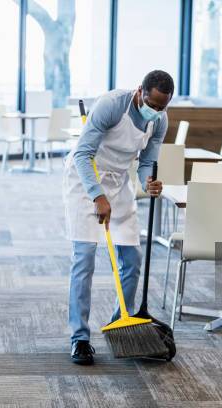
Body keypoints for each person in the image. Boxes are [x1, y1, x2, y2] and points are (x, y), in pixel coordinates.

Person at [63, 70, 174, 365]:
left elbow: (147, 161)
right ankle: (80, 339)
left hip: (120, 182)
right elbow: (82, 154)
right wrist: (97, 196)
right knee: (85, 257)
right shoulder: (112, 104)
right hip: (85, 177)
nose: (157, 112)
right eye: (153, 104)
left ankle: (118, 326)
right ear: (140, 92)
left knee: (132, 260)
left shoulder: (160, 120)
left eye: (163, 107)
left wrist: (149, 180)